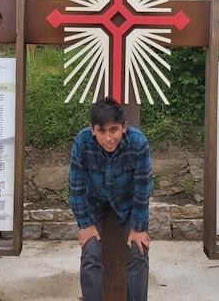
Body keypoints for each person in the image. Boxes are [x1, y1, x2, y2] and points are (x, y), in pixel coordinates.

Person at [68, 97, 152, 301]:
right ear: (92, 129)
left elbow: (143, 187)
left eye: (113, 130)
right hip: (94, 203)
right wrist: (85, 224)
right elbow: (76, 186)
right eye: (101, 131)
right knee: (90, 252)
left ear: (124, 127)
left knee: (139, 251)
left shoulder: (138, 143)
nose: (108, 138)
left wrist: (138, 227)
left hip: (128, 204)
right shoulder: (82, 141)